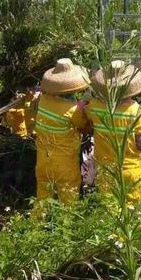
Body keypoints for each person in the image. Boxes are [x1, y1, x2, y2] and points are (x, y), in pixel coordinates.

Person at [86, 61, 141, 204]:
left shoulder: (94, 107)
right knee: (135, 207)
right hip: (130, 167)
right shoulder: (134, 109)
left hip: (106, 169)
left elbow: (87, 120)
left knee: (110, 206)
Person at [34, 58, 89, 206]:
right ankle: (67, 226)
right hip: (64, 162)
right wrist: (84, 109)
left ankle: (36, 226)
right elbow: (85, 127)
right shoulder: (73, 110)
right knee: (68, 197)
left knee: (43, 197)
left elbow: (41, 94)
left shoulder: (43, 100)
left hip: (43, 160)